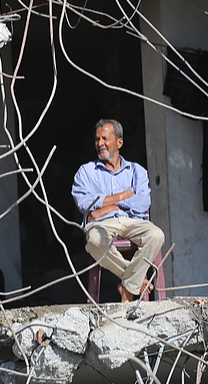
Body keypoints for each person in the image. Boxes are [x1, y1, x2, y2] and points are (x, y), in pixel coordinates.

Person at [72, 119, 165, 302]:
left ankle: (128, 285)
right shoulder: (86, 172)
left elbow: (143, 202)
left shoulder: (137, 171)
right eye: (97, 139)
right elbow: (85, 204)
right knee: (94, 239)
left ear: (119, 142)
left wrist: (106, 207)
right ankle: (134, 282)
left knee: (156, 235)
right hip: (102, 225)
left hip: (133, 221)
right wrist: (124, 196)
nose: (100, 144)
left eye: (105, 138)